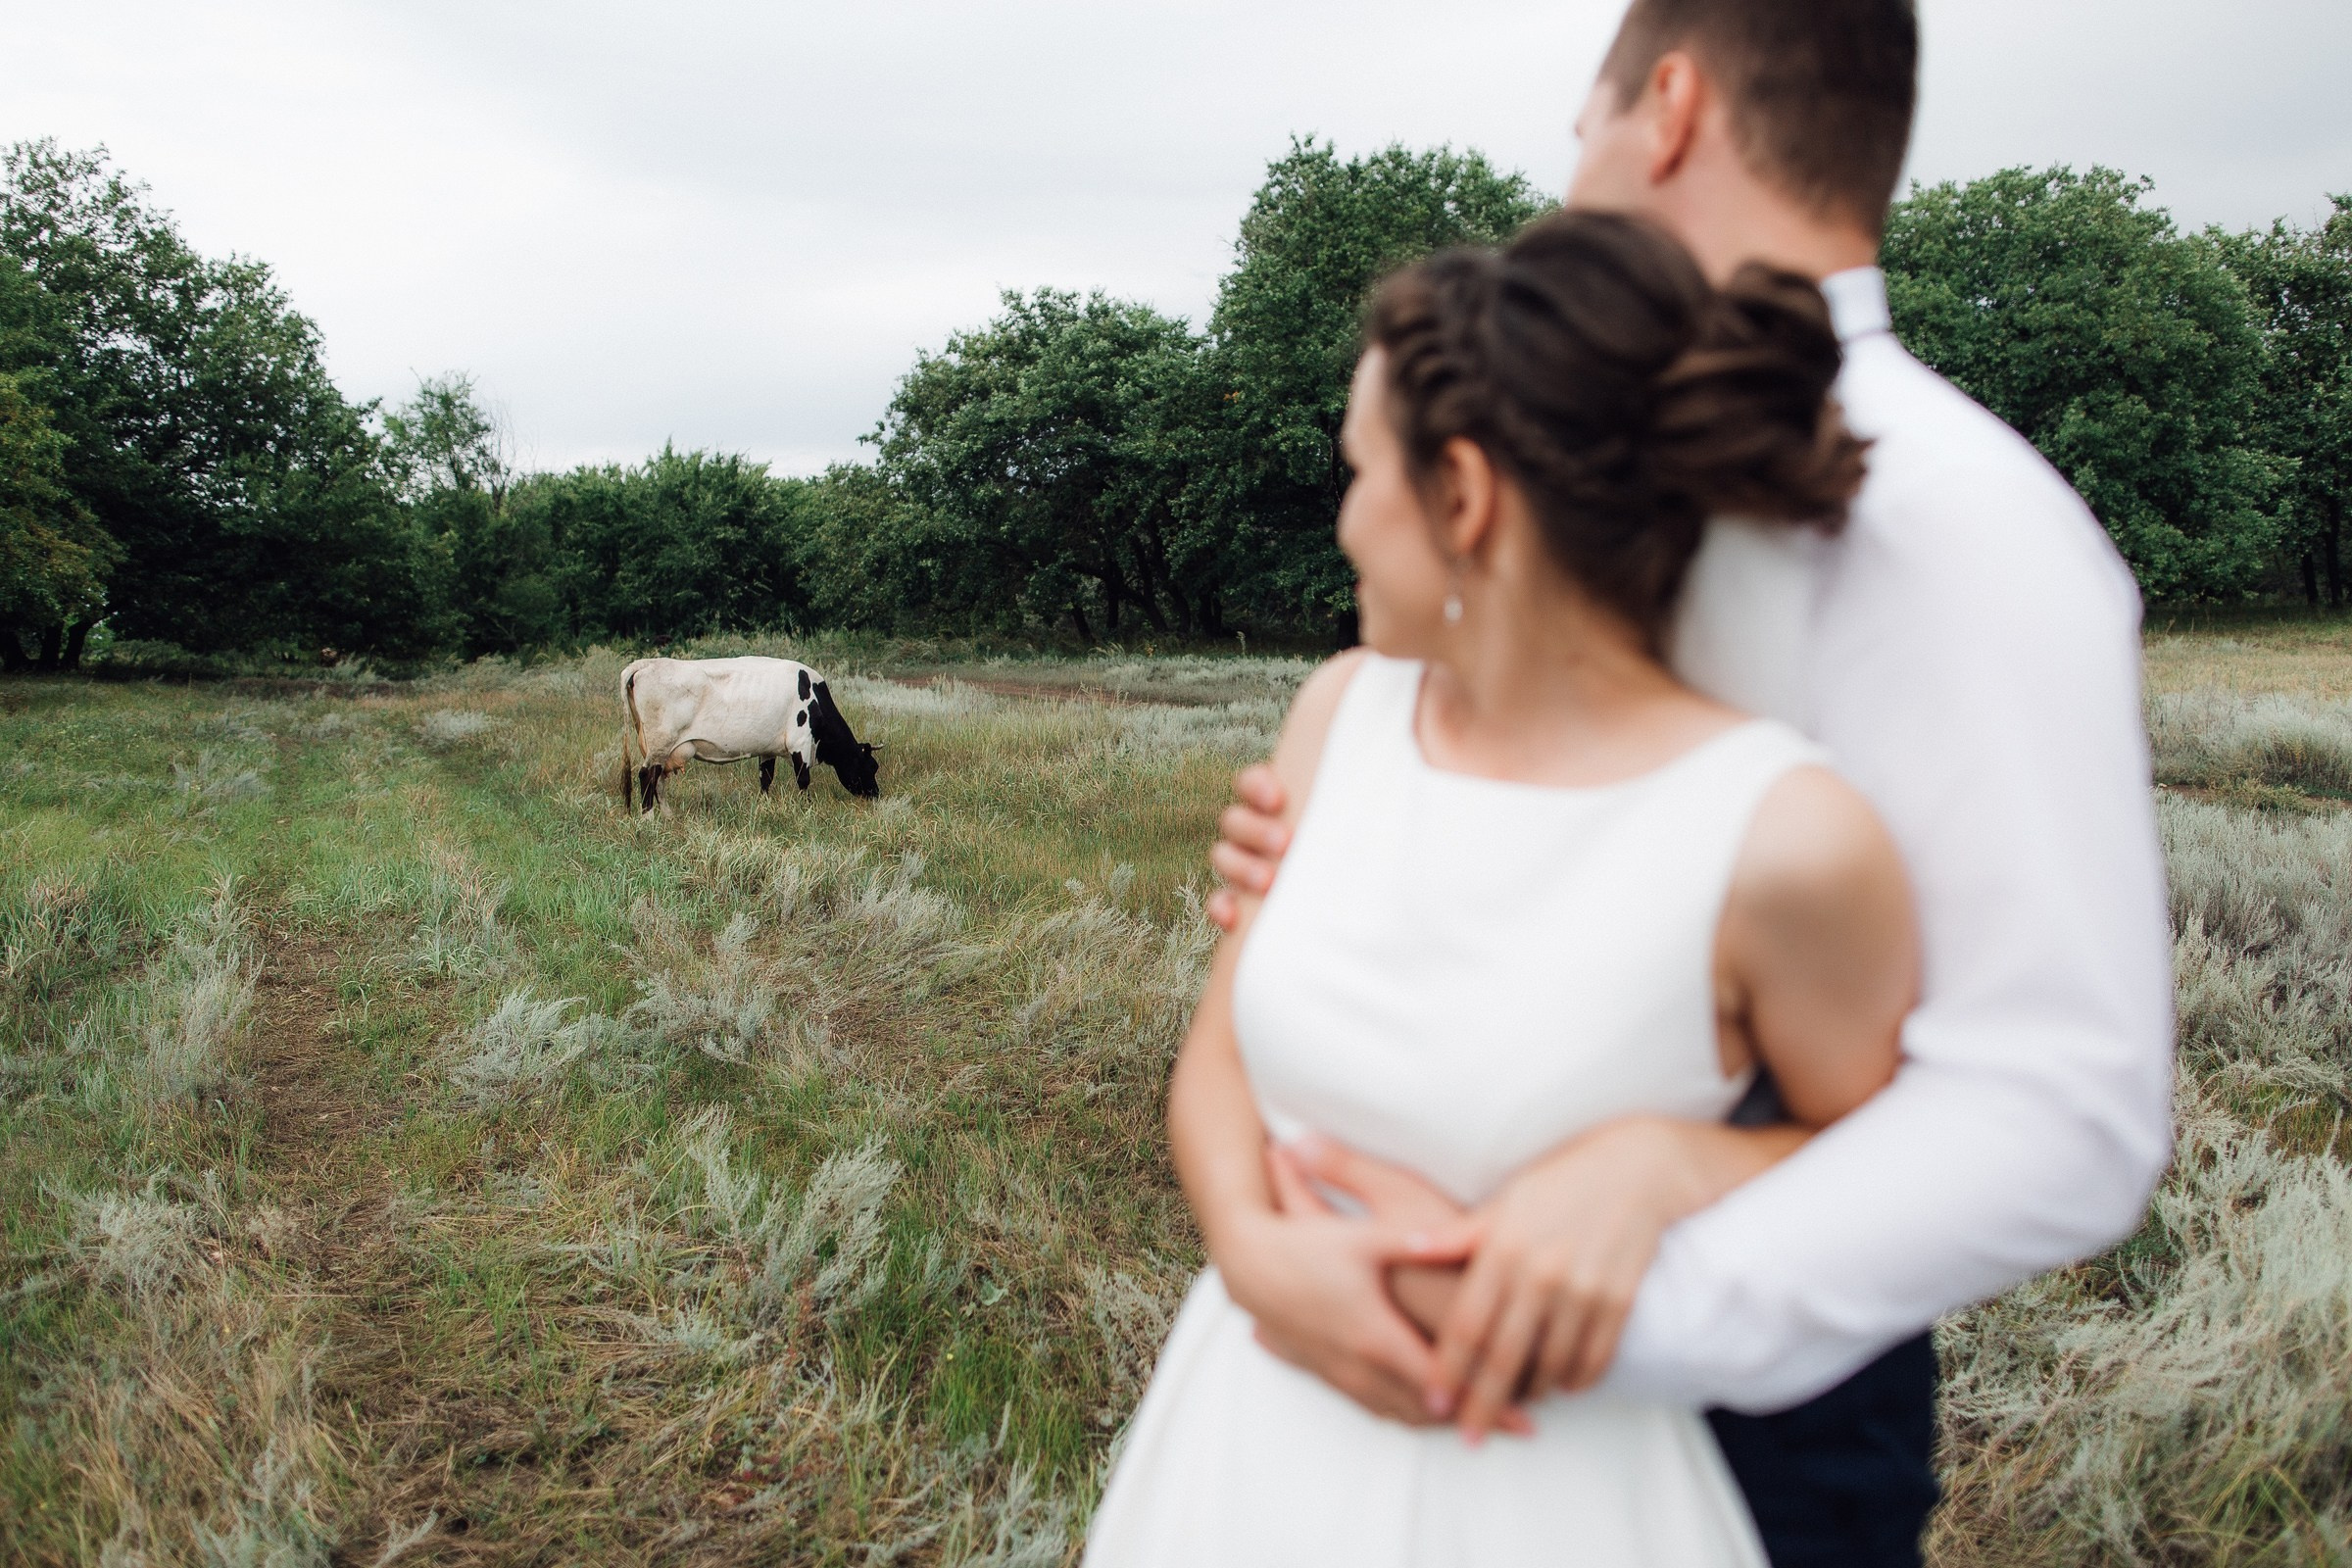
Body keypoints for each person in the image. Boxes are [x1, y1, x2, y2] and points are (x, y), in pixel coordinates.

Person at [1197, 2, 2174, 1564]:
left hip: (1732, 1445)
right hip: (1325, 1375)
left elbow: (2061, 1101)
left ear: (1664, 107)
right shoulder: (1558, 452)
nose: (1561, 192)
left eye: (1575, 135)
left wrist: (1612, 1273)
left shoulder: (1956, 518)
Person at [1089, 211, 1916, 1568]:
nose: (1344, 514)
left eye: (1360, 471)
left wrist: (1669, 1164)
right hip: (1243, 1450)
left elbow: (1887, 1161)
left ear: (1463, 497)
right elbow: (1219, 1061)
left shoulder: (1784, 838)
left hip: (1551, 1499)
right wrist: (1247, 1247)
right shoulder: (1337, 714)